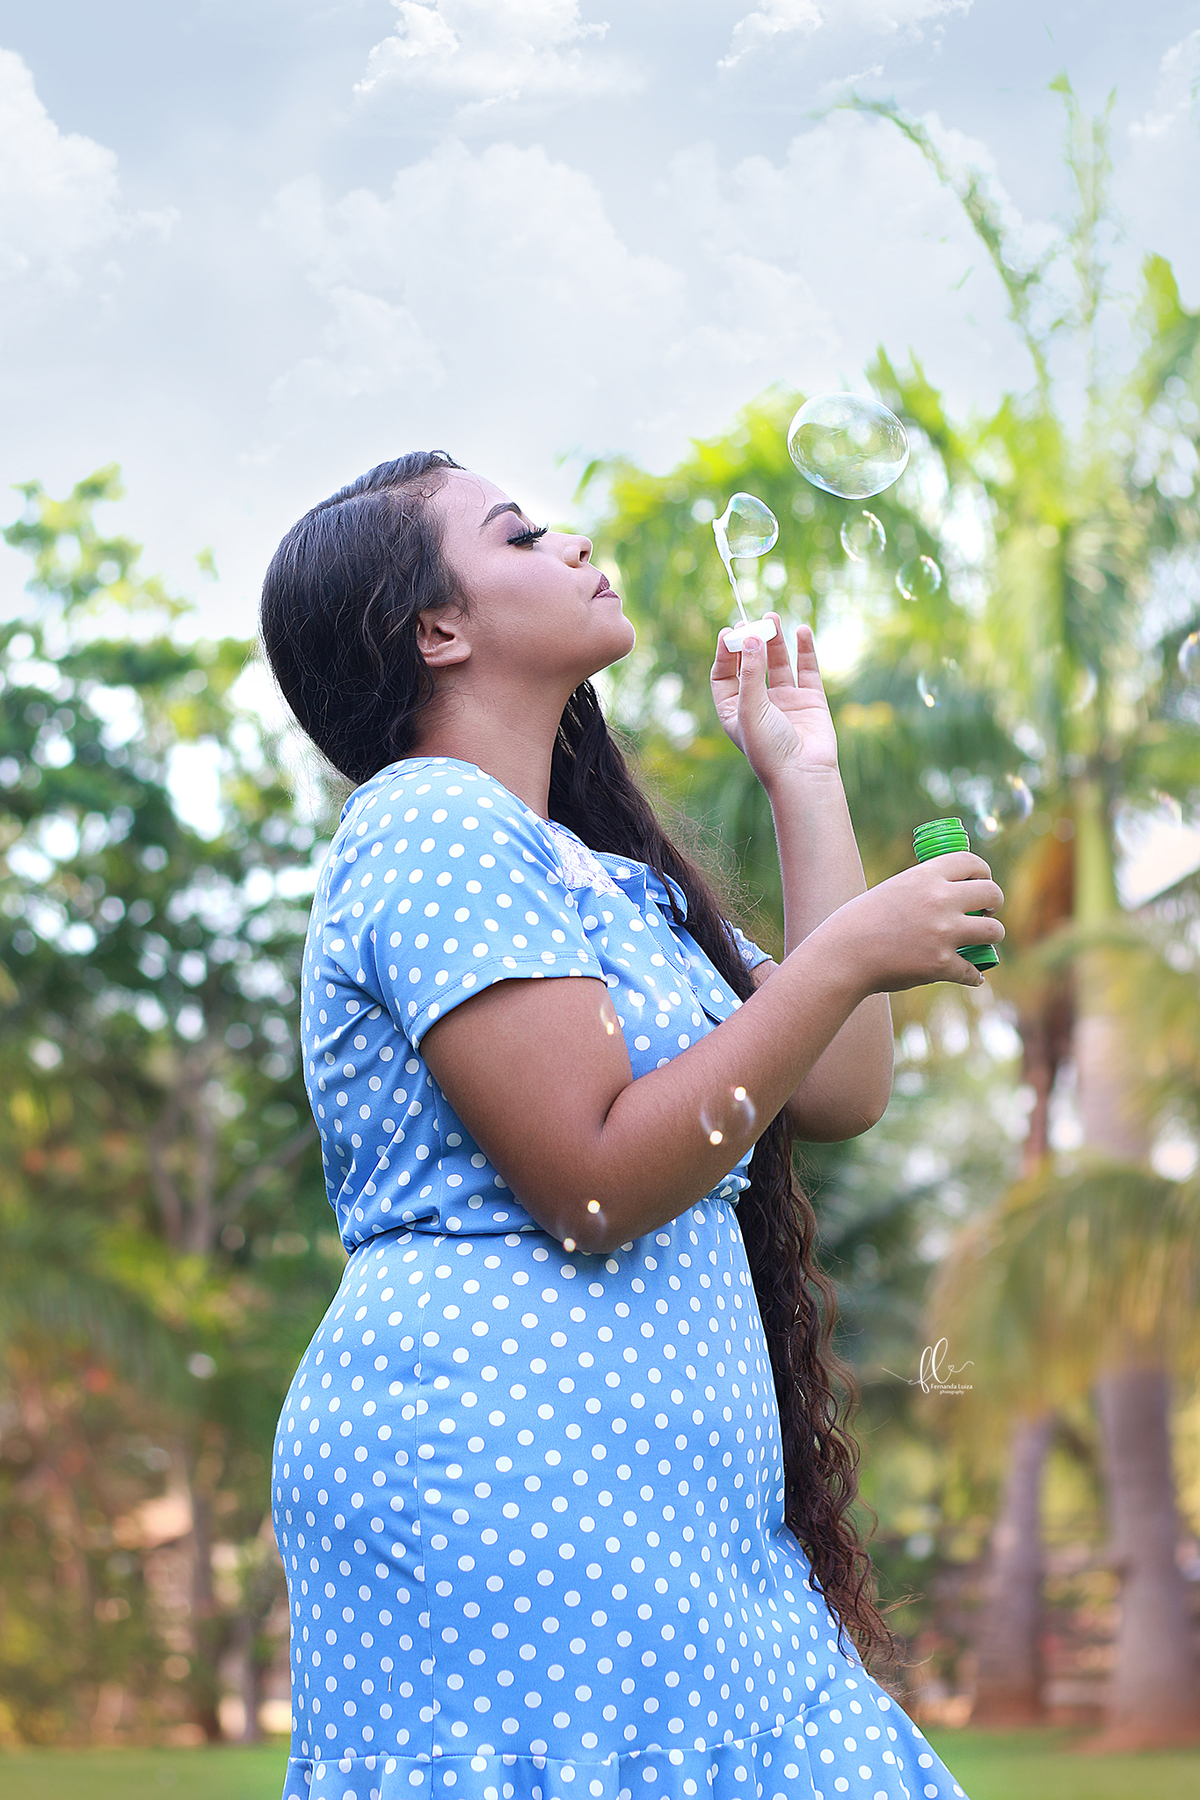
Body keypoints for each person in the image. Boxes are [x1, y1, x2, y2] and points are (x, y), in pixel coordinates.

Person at [260, 451, 998, 1800]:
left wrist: (801, 771)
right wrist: (845, 956)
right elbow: (593, 1183)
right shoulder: (429, 826)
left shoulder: (606, 881)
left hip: (663, 1511)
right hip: (497, 1478)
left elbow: (835, 1090)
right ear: (438, 628)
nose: (572, 538)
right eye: (522, 533)